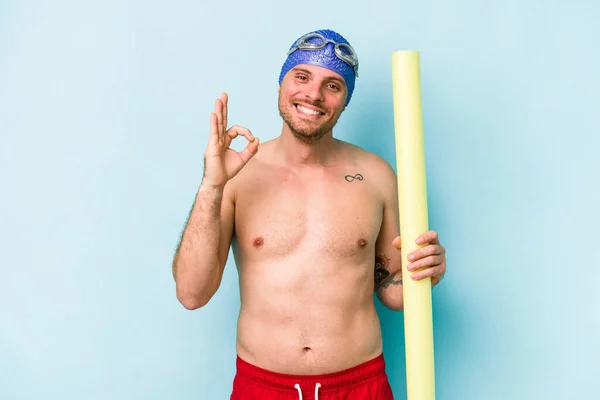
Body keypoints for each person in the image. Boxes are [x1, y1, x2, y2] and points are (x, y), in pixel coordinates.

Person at [172, 29, 447, 400]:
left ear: (346, 100)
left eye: (333, 85)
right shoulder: (239, 175)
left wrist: (424, 273)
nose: (313, 94)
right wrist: (211, 185)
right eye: (302, 77)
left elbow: (392, 293)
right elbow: (191, 294)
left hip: (359, 385)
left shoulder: (375, 175)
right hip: (263, 387)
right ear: (281, 84)